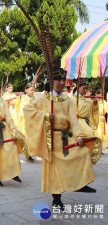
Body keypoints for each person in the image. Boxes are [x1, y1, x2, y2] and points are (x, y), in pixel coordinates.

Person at [23, 67, 98, 209]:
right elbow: (27, 109)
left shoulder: (67, 99)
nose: (62, 83)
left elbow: (73, 120)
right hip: (52, 139)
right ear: (51, 82)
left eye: (63, 80)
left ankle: (80, 184)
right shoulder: (44, 98)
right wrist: (44, 115)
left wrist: (79, 136)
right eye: (58, 79)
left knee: (82, 153)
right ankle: (56, 198)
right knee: (55, 170)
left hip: (66, 136)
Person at [70, 78, 102, 163]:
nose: (85, 90)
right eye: (83, 88)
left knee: (91, 137)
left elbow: (93, 111)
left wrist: (95, 103)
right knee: (89, 134)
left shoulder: (88, 99)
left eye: (86, 89)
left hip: (86, 122)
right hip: (77, 122)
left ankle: (86, 159)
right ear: (78, 87)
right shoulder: (72, 99)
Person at [17, 82, 35, 161]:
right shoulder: (23, 99)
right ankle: (28, 154)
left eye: (33, 90)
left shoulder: (35, 98)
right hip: (25, 121)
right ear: (26, 90)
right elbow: (21, 110)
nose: (32, 92)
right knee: (26, 138)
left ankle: (32, 152)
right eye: (30, 90)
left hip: (33, 121)